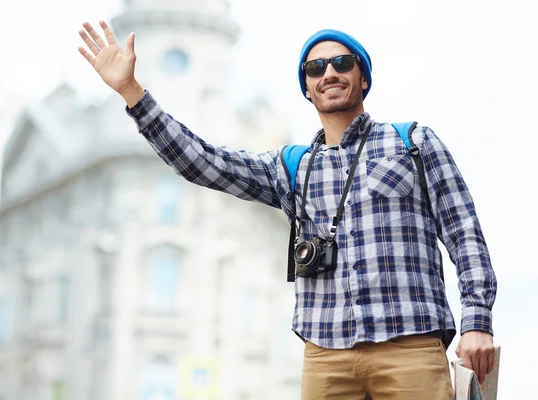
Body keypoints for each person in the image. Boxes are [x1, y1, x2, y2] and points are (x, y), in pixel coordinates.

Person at [78, 21, 497, 400]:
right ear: (307, 88)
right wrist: (133, 93)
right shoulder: (292, 167)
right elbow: (202, 162)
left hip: (408, 344)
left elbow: (463, 231)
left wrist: (476, 319)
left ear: (363, 77)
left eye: (341, 63)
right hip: (325, 354)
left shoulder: (412, 143)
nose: (328, 73)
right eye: (315, 69)